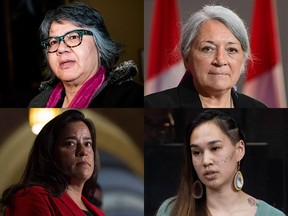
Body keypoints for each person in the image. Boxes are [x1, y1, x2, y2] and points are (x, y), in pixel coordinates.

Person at [156, 110, 285, 216]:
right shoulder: (171, 210)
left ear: (239, 150)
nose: (206, 161)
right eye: (197, 152)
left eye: (215, 148)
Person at [145, 5, 268, 108]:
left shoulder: (259, 108)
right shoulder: (154, 105)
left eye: (231, 50)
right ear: (187, 59)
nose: (220, 60)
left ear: (243, 61)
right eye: (208, 49)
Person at [28, 2, 143, 108]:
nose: (61, 49)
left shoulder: (132, 99)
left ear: (100, 47)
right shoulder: (38, 104)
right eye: (53, 42)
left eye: (73, 37)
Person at [0, 110, 105, 216]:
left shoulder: (97, 212)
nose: (83, 151)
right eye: (70, 143)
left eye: (87, 143)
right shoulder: (33, 197)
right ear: (50, 152)